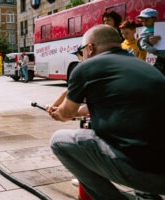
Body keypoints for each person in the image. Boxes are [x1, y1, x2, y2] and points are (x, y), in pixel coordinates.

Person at [48, 24, 165, 200]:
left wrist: (59, 112)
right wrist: (78, 111)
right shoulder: (143, 67)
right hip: (159, 168)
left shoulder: (86, 67)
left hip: (144, 173)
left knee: (59, 141)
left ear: (90, 48)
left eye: (82, 51)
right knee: (143, 134)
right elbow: (117, 102)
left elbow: (65, 114)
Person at [136, 8, 165, 75]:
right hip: (158, 57)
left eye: (146, 20)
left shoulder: (161, 27)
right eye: (142, 21)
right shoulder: (145, 31)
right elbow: (141, 43)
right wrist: (150, 48)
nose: (144, 23)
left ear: (154, 19)